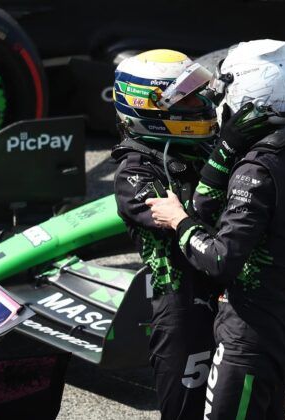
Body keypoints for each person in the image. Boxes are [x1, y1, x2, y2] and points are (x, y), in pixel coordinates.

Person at [147, 39, 285, 419]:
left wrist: (178, 219)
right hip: (284, 320)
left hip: (248, 332)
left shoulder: (255, 170)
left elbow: (219, 259)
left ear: (244, 91)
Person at [111, 49, 225, 419]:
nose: (201, 103)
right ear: (150, 107)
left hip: (229, 300)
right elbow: (200, 217)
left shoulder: (200, 146)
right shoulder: (135, 173)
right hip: (182, 310)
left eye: (198, 94)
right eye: (187, 97)